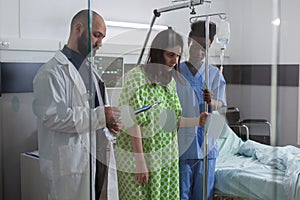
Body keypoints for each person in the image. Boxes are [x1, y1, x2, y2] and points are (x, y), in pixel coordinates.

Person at [32, 9, 121, 200]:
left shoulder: (91, 70)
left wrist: (108, 123)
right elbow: (53, 116)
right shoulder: (51, 73)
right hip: (71, 166)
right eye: (97, 35)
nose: (100, 43)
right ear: (78, 29)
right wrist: (100, 116)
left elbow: (97, 110)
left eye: (102, 37)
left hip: (98, 160)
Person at [115, 28, 209, 200]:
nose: (175, 61)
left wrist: (197, 121)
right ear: (158, 53)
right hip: (140, 158)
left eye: (178, 56)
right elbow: (131, 121)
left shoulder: (169, 82)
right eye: (170, 55)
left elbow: (173, 121)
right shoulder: (137, 78)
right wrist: (140, 162)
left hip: (166, 158)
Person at [176, 20, 227, 200]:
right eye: (196, 46)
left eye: (204, 47)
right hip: (182, 144)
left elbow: (222, 105)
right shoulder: (176, 71)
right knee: (181, 193)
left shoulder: (213, 74)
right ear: (189, 41)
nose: (199, 52)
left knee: (203, 194)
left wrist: (211, 101)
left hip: (207, 144)